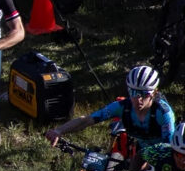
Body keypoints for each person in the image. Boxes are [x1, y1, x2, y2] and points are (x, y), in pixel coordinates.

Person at [49, 65, 178, 151]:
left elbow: (169, 150)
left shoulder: (163, 113)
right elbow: (87, 120)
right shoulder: (122, 107)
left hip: (160, 153)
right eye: (133, 93)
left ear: (154, 93)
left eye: (144, 94)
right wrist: (59, 131)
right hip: (140, 151)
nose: (138, 99)